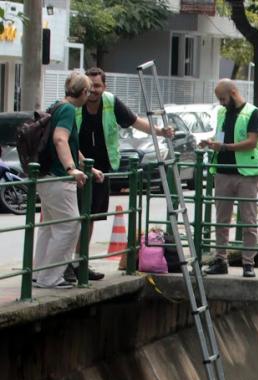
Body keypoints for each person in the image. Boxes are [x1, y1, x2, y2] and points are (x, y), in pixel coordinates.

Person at [75, 67, 174, 282]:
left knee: (90, 216)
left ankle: (80, 261)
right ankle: (70, 264)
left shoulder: (110, 102)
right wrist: (81, 164)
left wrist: (159, 132)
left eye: (97, 86)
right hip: (76, 169)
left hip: (102, 170)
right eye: (89, 86)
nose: (93, 91)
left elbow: (135, 121)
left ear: (105, 87)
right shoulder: (76, 103)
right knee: (74, 218)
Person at [32, 71, 92, 289]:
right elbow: (60, 139)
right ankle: (50, 277)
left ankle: (38, 274)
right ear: (84, 92)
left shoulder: (56, 105)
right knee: (70, 224)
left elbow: (68, 143)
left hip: (46, 176)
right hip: (58, 178)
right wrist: (71, 169)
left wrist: (86, 166)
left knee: (49, 227)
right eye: (89, 92)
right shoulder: (68, 110)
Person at [200, 79, 258, 278]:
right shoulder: (222, 112)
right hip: (222, 171)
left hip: (245, 173)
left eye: (223, 98)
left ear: (233, 93)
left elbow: (252, 142)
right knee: (221, 220)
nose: (221, 103)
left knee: (248, 220)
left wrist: (225, 147)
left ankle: (248, 263)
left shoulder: (253, 112)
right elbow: (221, 137)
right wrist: (211, 143)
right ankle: (221, 260)